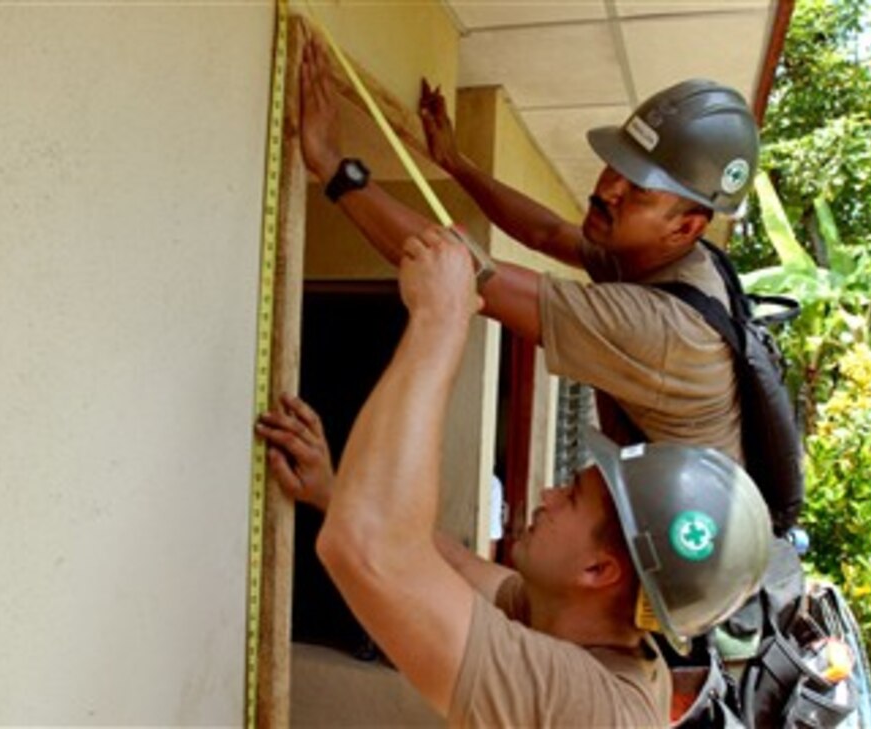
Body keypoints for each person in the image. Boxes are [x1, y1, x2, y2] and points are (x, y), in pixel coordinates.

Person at [255, 231, 773, 725]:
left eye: (572, 496)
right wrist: (333, 490)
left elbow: (368, 549)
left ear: (598, 570)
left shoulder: (591, 709)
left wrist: (441, 318)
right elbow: (454, 566)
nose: (548, 493)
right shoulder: (580, 621)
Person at [296, 20, 761, 459]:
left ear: (686, 227)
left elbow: (467, 277)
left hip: (681, 537)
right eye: (617, 167)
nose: (607, 190)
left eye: (638, 189)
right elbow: (547, 232)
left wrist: (334, 167)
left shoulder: (660, 329)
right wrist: (458, 164)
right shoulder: (655, 255)